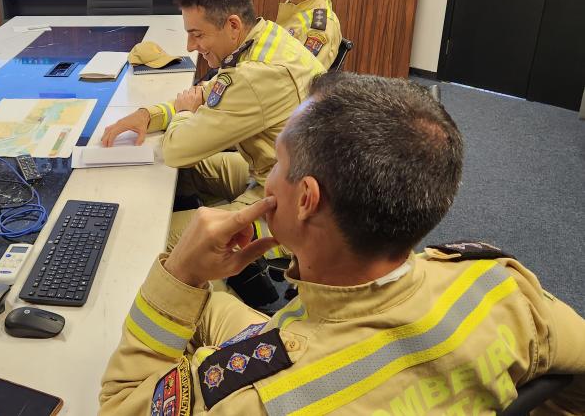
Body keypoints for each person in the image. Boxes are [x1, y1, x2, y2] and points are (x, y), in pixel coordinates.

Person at [99, 73, 585, 414]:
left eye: (280, 167)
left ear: (306, 199)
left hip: (309, 371)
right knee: (208, 308)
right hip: (353, 333)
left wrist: (180, 276)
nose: (269, 184)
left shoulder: (252, 400)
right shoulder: (502, 287)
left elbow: (121, 405)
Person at [101, 0, 325, 250]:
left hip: (290, 209)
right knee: (182, 171)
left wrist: (183, 113)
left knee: (150, 238)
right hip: (277, 172)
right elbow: (207, 94)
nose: (190, 46)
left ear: (232, 25)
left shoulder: (257, 75)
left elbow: (177, 151)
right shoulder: (262, 38)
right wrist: (149, 115)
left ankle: (218, 280)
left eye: (197, 35)